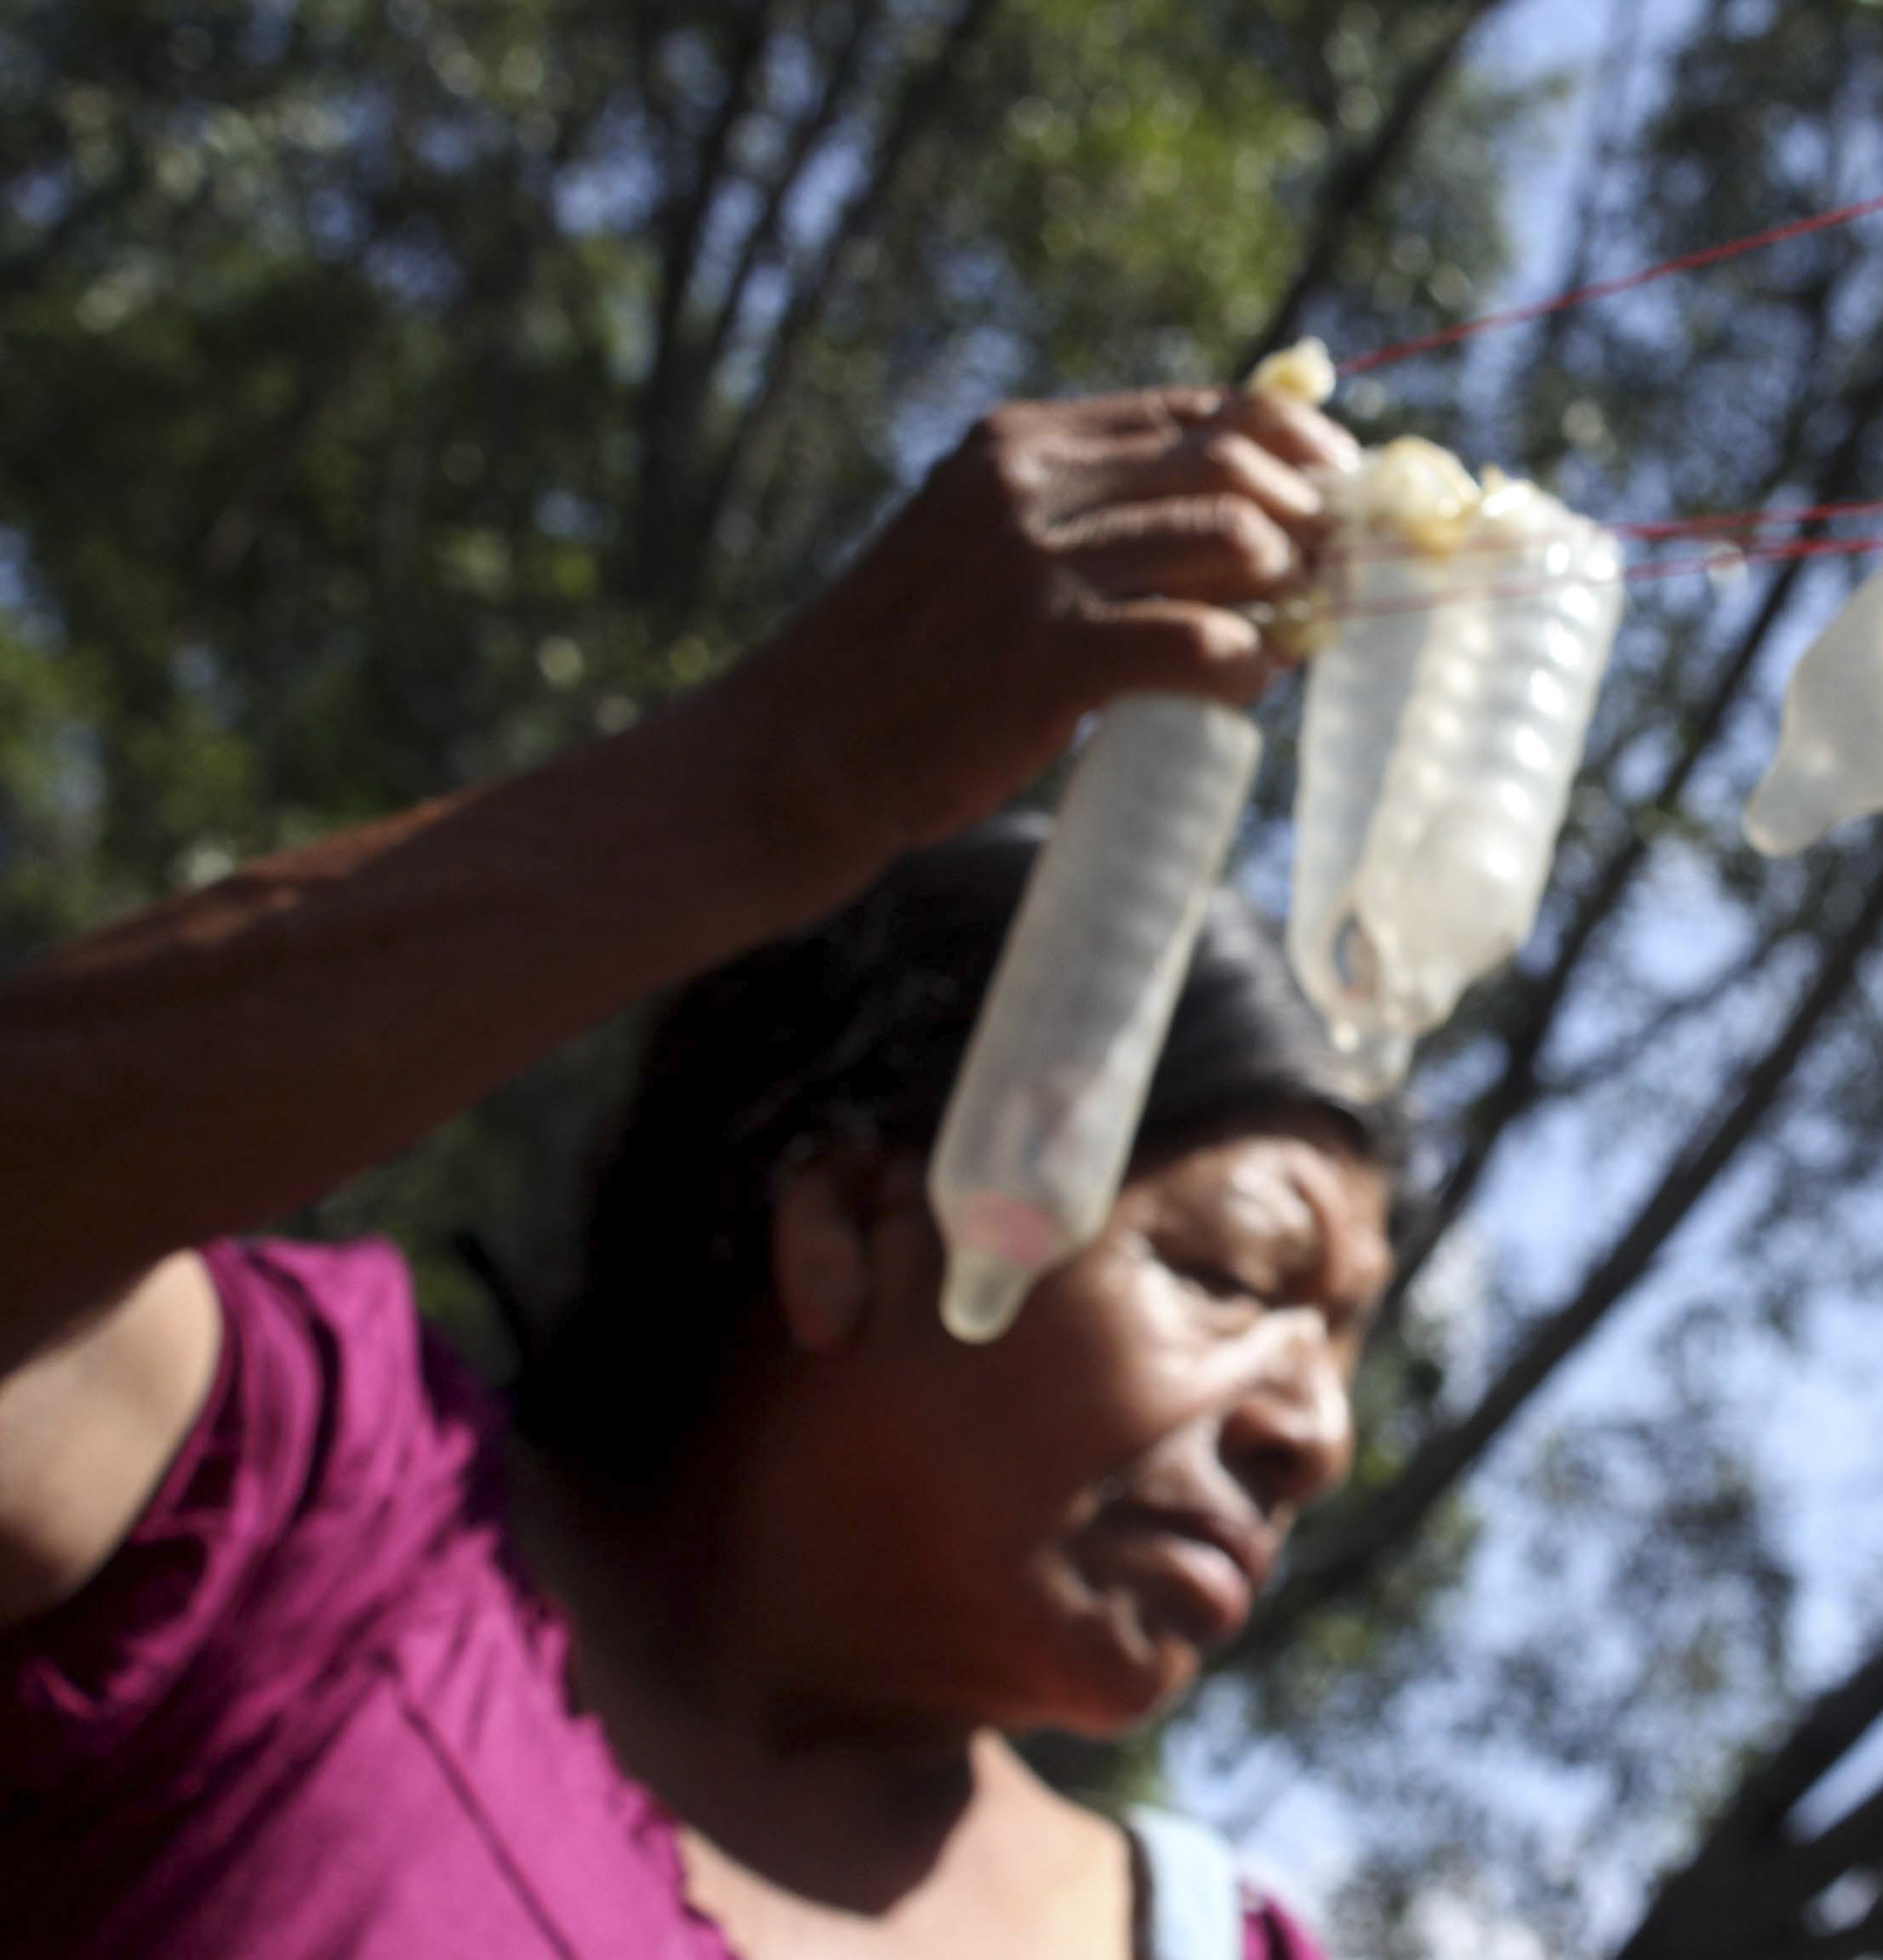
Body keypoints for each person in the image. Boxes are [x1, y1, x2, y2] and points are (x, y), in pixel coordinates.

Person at [0, 384, 1392, 1958]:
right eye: (1225, 1276)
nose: (1314, 1434)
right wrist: (779, 782)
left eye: (1346, 1343)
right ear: (854, 1228)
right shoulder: (301, 1512)